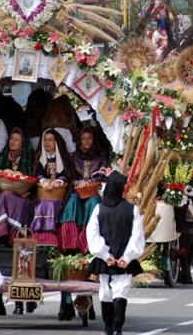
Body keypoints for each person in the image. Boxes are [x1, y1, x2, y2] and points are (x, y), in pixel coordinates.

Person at [87, 171, 145, 335]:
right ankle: (117, 328)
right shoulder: (131, 209)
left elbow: (92, 234)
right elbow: (137, 235)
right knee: (121, 291)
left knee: (105, 291)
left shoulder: (99, 209)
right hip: (123, 260)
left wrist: (105, 255)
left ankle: (108, 327)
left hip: (106, 260)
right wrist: (127, 257)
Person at [60, 127, 108, 253]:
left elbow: (103, 173)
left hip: (94, 191)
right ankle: (72, 244)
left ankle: (88, 244)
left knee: (93, 203)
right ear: (80, 141)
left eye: (89, 138)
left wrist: (90, 182)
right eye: (83, 139)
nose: (86, 141)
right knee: (72, 201)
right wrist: (78, 182)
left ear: (94, 140)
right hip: (78, 190)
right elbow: (69, 176)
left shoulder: (101, 156)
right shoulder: (75, 156)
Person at [30, 129, 72, 247]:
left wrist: (58, 181)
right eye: (45, 140)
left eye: (50, 140)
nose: (47, 142)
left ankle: (49, 242)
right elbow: (38, 173)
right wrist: (44, 181)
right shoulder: (40, 158)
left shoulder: (64, 158)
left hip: (58, 196)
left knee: (50, 205)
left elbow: (67, 174)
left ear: (56, 142)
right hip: (43, 194)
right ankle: (39, 240)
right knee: (42, 205)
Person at [0, 128, 34, 247]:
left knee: (13, 199)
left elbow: (29, 179)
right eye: (11, 139)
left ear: (22, 143)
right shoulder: (4, 156)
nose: (13, 142)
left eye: (17, 140)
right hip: (4, 191)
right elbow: (0, 177)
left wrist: (23, 189)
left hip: (21, 195)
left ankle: (12, 237)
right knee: (4, 196)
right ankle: (2, 236)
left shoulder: (27, 157)